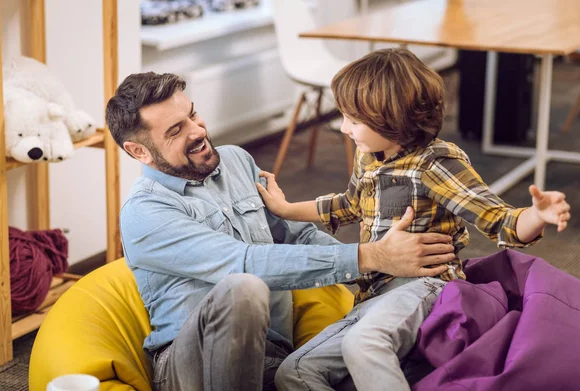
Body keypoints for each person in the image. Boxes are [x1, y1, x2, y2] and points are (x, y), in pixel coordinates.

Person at [104, 71, 458, 391]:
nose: (198, 131)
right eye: (175, 130)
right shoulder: (145, 212)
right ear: (139, 152)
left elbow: (297, 235)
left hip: (276, 358)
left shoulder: (235, 160)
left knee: (393, 359)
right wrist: (369, 256)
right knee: (242, 287)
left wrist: (389, 274)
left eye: (192, 115)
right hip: (190, 368)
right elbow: (244, 264)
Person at [256, 48, 571, 391]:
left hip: (420, 286)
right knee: (296, 371)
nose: (344, 128)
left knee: (363, 345)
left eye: (353, 120)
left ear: (389, 119)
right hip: (370, 294)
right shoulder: (369, 158)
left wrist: (537, 215)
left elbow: (499, 220)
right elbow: (347, 204)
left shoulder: (435, 163)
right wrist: (285, 209)